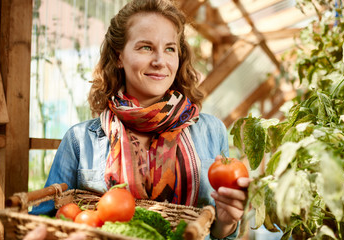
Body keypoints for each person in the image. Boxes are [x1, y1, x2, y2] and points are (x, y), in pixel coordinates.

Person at [30, 0, 250, 239]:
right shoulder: (80, 140)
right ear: (118, 57)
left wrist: (227, 222)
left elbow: (220, 234)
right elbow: (45, 222)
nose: (159, 61)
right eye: (145, 47)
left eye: (169, 49)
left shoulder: (211, 130)